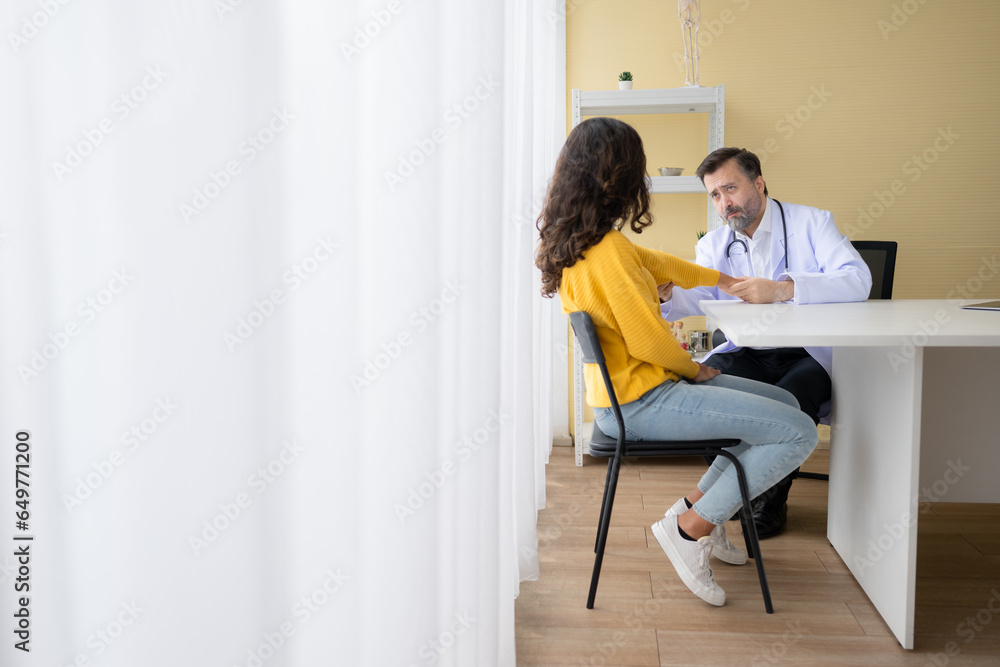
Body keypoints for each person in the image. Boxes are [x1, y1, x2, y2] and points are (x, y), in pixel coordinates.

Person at [535, 117, 818, 606]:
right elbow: (649, 342)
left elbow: (663, 264)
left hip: (634, 393)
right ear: (619, 174)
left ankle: (695, 510)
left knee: (785, 399)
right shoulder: (608, 254)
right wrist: (698, 369)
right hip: (643, 400)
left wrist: (722, 279)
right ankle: (690, 530)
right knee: (799, 431)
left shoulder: (598, 243)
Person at [659, 147, 872, 538]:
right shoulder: (716, 244)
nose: (725, 203)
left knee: (791, 399)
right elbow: (696, 297)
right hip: (748, 353)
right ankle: (736, 491)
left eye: (730, 189)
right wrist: (665, 295)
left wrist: (782, 290)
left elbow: (858, 280)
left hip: (807, 354)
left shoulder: (813, 222)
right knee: (706, 389)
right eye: (716, 196)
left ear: (758, 183)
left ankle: (770, 502)